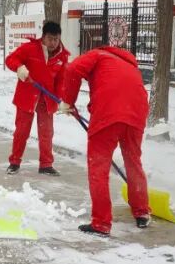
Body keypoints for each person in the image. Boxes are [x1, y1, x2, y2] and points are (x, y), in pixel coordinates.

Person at [56, 45, 151, 235]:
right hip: (136, 113)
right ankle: (142, 212)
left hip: (109, 113)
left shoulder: (97, 54)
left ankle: (101, 222)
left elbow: (73, 69)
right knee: (133, 162)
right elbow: (113, 86)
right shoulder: (128, 64)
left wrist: (68, 101)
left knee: (98, 168)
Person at [4, 21, 69, 176]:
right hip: (27, 96)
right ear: (43, 37)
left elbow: (61, 81)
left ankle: (46, 164)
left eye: (56, 39)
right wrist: (19, 68)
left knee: (46, 133)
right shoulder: (30, 49)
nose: (53, 43)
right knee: (21, 131)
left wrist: (62, 99)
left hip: (47, 100)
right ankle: (14, 162)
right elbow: (10, 60)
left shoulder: (63, 56)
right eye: (50, 39)